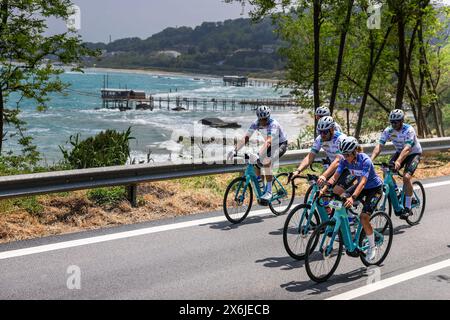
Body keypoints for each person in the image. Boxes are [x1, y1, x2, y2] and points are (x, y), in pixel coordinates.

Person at [320, 136, 384, 261]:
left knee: (364, 217)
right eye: (344, 154)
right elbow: (335, 177)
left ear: (355, 152)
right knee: (337, 199)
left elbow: (363, 182)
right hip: (361, 187)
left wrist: (352, 197)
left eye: (348, 154)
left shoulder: (365, 161)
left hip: (374, 189)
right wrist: (324, 189)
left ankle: (372, 246)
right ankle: (350, 221)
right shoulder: (344, 160)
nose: (346, 157)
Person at [228, 105, 288, 203]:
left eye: (265, 119)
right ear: (258, 118)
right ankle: (262, 187)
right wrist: (235, 150)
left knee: (266, 161)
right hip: (269, 144)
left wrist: (259, 154)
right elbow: (246, 138)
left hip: (280, 144)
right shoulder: (256, 123)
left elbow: (268, 141)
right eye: (261, 119)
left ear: (268, 117)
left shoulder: (273, 124)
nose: (263, 122)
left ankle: (269, 191)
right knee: (257, 165)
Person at [371, 109, 422, 219]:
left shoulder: (409, 130)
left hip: (413, 153)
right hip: (400, 152)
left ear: (402, 121)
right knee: (386, 170)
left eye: (396, 122)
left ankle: (408, 207)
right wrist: (371, 159)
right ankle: (396, 191)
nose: (393, 124)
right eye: (392, 122)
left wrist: (398, 161)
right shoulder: (388, 130)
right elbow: (379, 145)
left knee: (406, 177)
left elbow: (407, 149)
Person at [292, 116, 355, 194]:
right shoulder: (319, 139)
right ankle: (327, 206)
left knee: (336, 192)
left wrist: (324, 175)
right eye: (320, 132)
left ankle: (351, 200)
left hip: (349, 168)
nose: (322, 135)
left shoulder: (341, 139)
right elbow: (310, 156)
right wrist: (298, 170)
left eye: (325, 132)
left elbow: (338, 161)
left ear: (331, 130)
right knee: (322, 191)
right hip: (335, 168)